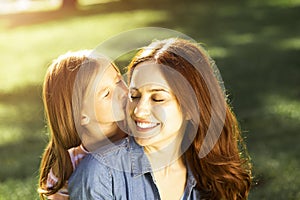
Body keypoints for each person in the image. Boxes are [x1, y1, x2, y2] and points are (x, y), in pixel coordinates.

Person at [68, 38, 252, 200]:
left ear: (191, 108)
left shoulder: (210, 171)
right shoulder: (101, 175)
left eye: (157, 98)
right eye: (134, 96)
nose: (139, 111)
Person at [37, 50, 128, 199]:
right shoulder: (67, 167)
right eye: (106, 94)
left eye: (118, 80)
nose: (123, 92)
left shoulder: (140, 133)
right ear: (81, 115)